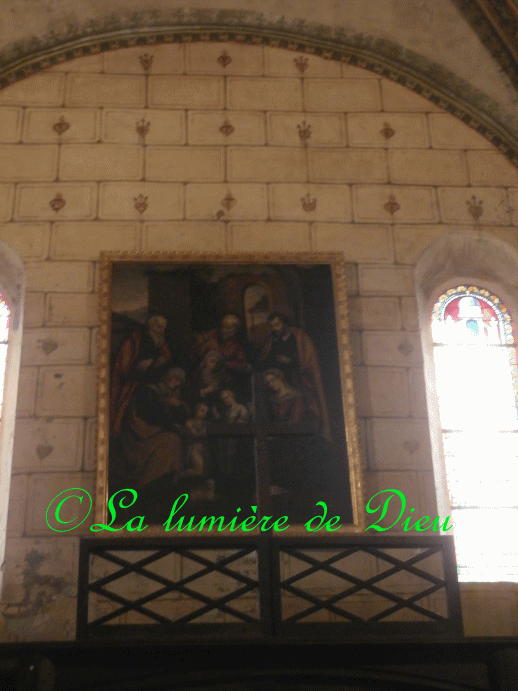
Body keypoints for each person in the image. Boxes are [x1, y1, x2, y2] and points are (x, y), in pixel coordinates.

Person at [258, 312, 331, 441]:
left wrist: (290, 361)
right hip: (278, 380)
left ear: (285, 323)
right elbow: (265, 359)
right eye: (272, 326)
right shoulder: (271, 340)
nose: (275, 328)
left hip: (296, 379)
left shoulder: (298, 337)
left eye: (277, 324)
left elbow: (307, 361)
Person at [113, 367, 188, 491]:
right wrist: (169, 405)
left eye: (180, 381)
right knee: (172, 441)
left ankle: (169, 480)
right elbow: (153, 415)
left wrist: (177, 406)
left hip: (154, 432)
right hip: (139, 437)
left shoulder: (171, 395)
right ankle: (153, 482)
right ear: (167, 377)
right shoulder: (150, 391)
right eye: (175, 379)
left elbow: (180, 417)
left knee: (177, 438)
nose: (177, 384)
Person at [110, 314, 171, 437]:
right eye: (159, 327)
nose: (162, 331)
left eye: (164, 328)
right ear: (151, 326)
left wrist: (154, 362)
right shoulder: (136, 340)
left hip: (153, 382)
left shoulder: (160, 341)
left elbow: (165, 357)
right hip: (135, 382)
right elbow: (126, 367)